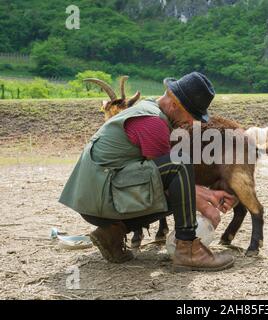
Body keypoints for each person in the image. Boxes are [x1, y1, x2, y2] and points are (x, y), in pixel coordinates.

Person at [59, 72, 237, 272]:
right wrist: (206, 205)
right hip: (101, 197)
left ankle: (112, 233)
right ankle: (188, 249)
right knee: (179, 163)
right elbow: (171, 180)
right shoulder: (154, 124)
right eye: (192, 116)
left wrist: (209, 195)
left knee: (177, 186)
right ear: (174, 105)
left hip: (96, 195)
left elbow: (169, 183)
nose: (192, 123)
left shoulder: (150, 108)